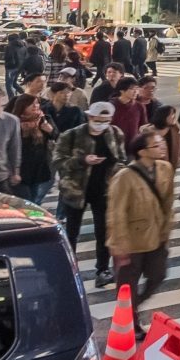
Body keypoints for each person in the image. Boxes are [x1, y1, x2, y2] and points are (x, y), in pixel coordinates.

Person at [54, 101, 125, 286]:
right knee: (71, 232)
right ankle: (67, 269)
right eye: (98, 119)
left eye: (106, 120)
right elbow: (58, 162)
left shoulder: (115, 134)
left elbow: (122, 160)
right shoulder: (71, 135)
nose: (102, 123)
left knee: (103, 233)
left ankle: (102, 270)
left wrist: (115, 170)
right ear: (89, 117)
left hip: (104, 191)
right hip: (75, 190)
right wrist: (83, 160)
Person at [105, 129, 175, 311]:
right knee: (128, 283)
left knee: (158, 275)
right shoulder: (124, 177)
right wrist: (119, 244)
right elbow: (116, 212)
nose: (162, 148)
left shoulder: (165, 168)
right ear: (142, 151)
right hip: (132, 241)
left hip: (157, 235)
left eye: (163, 143)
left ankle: (134, 305)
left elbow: (168, 201)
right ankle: (130, 319)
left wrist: (167, 230)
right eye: (157, 145)